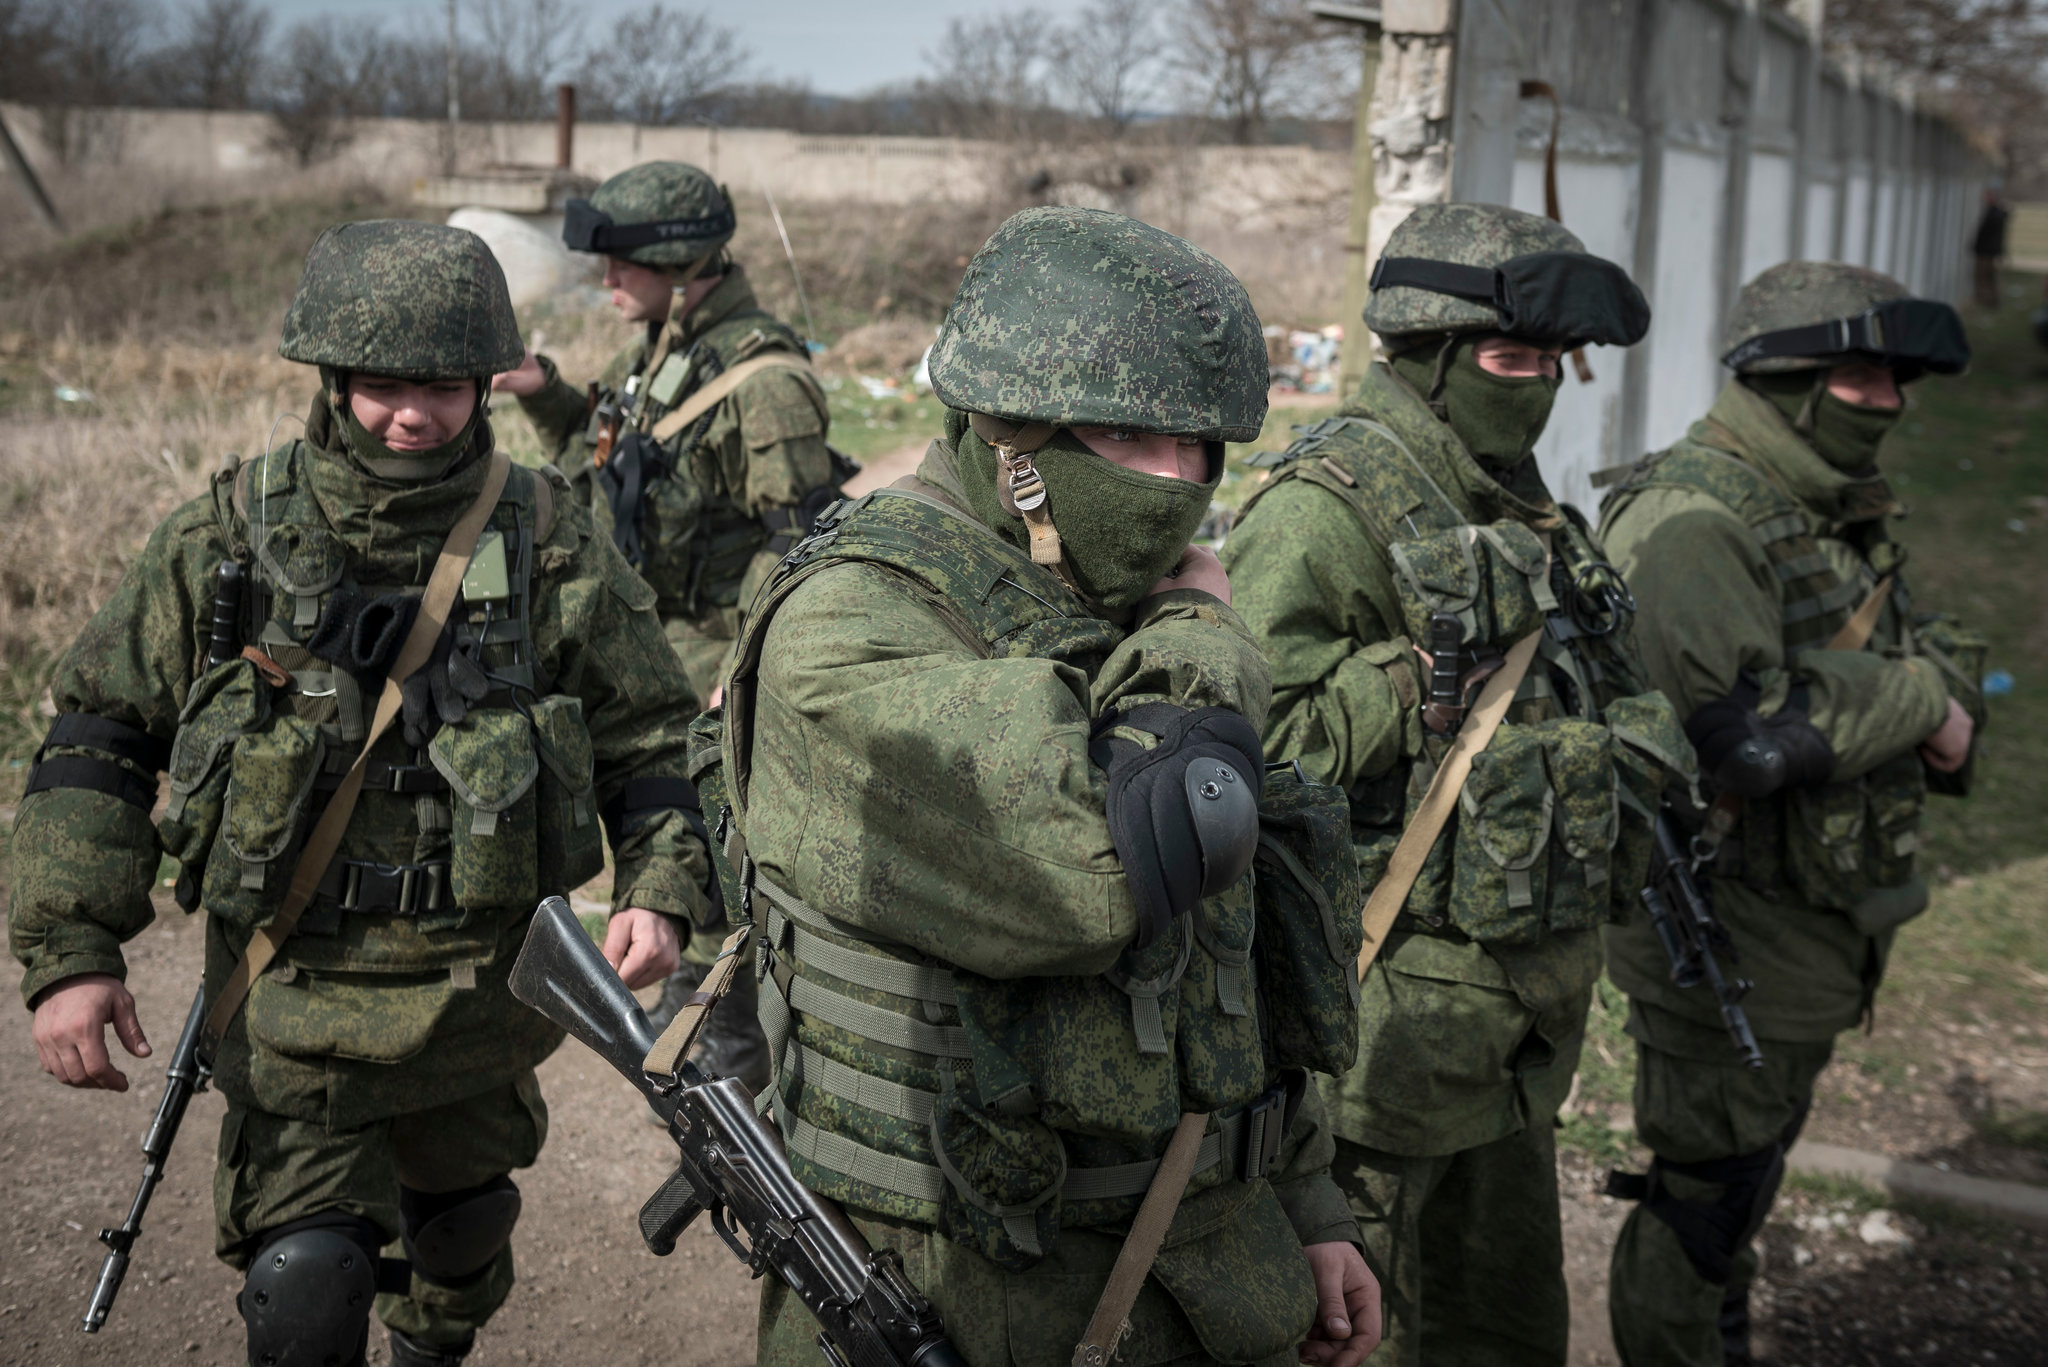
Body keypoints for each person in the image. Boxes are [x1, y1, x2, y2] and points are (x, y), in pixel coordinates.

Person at [13, 220, 715, 1367]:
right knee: (307, 1283)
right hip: (290, 993)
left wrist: (663, 885)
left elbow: (652, 735)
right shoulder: (231, 529)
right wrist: (72, 950)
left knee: (459, 1247)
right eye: (382, 384)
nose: (412, 415)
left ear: (484, 379)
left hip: (481, 1001)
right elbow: (99, 735)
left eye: (442, 385)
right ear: (331, 378)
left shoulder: (546, 533)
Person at [717, 205, 1381, 1367]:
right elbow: (1125, 855)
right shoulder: (854, 618)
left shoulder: (1109, 586)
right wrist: (1203, 636)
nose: (1178, 483)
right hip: (967, 1288)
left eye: (1202, 448)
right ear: (1003, 435)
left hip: (1213, 1262)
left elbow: (1230, 949)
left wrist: (1308, 1201)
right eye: (1131, 438)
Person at [1220, 202, 1674, 1366]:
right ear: (1423, 355)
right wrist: (1411, 671)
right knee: (1349, 1332)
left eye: (1548, 364)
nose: (1534, 390)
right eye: (1506, 361)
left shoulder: (1513, 499)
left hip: (1509, 1035)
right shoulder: (1324, 507)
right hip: (1377, 1042)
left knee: (1500, 1329)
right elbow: (1247, 760)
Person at [1596, 260, 1980, 1367]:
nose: (1888, 402)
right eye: (1859, 376)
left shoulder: (1814, 504)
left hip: (1809, 924)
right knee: (1701, 1203)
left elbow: (1907, 642)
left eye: (1896, 379)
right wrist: (1921, 700)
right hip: (1730, 927)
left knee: (1741, 1191)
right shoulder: (1696, 514)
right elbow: (1737, 736)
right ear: (1789, 377)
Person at [494, 160, 834, 1090]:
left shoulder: (764, 381)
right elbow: (607, 459)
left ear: (682, 266)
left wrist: (745, 660)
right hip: (653, 649)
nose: (604, 281)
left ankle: (730, 1078)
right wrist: (540, 391)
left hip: (708, 662)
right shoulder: (661, 349)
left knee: (714, 870)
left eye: (619, 263)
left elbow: (800, 539)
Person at [1971, 186, 2009, 310]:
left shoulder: (1995, 214)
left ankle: (1987, 301)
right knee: (1988, 277)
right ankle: (1990, 301)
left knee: (1984, 277)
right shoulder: (1995, 213)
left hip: (1987, 252)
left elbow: (1988, 234)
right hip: (1988, 251)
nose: (1984, 199)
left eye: (1987, 196)